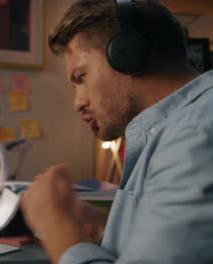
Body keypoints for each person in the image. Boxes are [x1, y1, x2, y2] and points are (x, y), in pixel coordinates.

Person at [20, 0, 213, 263]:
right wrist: (105, 225)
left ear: (127, 55)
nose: (78, 102)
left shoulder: (194, 135)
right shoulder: (172, 132)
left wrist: (55, 225)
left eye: (81, 78)